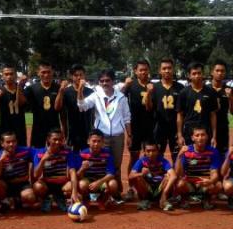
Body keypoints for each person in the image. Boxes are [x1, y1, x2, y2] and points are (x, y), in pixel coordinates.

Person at [77, 69, 132, 200]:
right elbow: (82, 106)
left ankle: (116, 193)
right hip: (101, 137)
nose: (104, 83)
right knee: (101, 164)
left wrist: (129, 135)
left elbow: (127, 118)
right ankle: (101, 193)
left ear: (113, 81)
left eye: (107, 80)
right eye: (102, 81)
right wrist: (80, 89)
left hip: (118, 136)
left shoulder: (121, 97)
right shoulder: (96, 96)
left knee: (116, 165)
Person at [121, 59, 155, 200]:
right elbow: (118, 98)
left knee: (150, 157)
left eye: (145, 70)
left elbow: (151, 108)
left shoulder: (153, 86)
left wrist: (149, 93)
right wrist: (125, 85)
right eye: (141, 70)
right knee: (134, 157)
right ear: (135, 71)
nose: (143, 72)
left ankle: (149, 187)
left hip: (150, 127)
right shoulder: (131, 85)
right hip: (134, 127)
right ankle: (130, 187)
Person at [32, 128, 81, 213]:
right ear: (48, 139)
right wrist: (43, 160)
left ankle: (60, 198)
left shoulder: (67, 152)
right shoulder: (40, 153)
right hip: (46, 185)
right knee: (37, 186)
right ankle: (47, 199)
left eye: (60, 139)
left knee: (72, 186)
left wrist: (74, 193)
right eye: (55, 139)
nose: (57, 142)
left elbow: (72, 172)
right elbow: (36, 175)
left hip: (62, 184)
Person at [175, 125, 222, 210]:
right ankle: (184, 198)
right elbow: (179, 173)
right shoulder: (186, 151)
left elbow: (214, 172)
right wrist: (179, 156)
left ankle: (206, 198)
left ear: (207, 137)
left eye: (203, 135)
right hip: (189, 182)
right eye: (197, 135)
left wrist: (210, 181)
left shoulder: (213, 151)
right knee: (179, 184)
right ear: (192, 138)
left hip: (204, 182)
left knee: (218, 185)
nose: (200, 138)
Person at [0, 131, 36, 214]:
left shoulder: (26, 151)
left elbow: (39, 153)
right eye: (8, 142)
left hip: (22, 184)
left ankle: (16, 199)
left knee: (30, 198)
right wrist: (0, 161)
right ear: (2, 143)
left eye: (13, 141)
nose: (11, 144)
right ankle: (5, 201)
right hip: (7, 185)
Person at [25, 61, 67, 148]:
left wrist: (63, 130)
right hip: (38, 127)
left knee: (56, 150)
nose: (46, 75)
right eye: (43, 72)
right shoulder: (31, 89)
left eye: (48, 72)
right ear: (38, 73)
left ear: (52, 72)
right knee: (38, 151)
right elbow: (26, 110)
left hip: (54, 126)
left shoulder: (58, 88)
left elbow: (61, 111)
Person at [176, 62, 218, 148]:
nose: (197, 76)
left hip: (205, 130)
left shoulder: (210, 92)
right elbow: (180, 115)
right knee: (189, 155)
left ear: (203, 74)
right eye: (194, 73)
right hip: (189, 131)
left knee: (206, 154)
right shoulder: (183, 93)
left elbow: (213, 115)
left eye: (199, 73)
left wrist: (214, 136)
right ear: (189, 75)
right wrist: (180, 135)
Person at [128, 140, 177, 211]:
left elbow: (174, 176)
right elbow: (130, 176)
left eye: (153, 151)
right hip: (147, 189)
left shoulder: (163, 161)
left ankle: (163, 199)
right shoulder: (141, 161)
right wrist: (142, 174)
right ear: (144, 152)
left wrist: (164, 194)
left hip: (160, 189)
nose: (151, 153)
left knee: (168, 176)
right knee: (138, 177)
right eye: (148, 151)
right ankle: (145, 200)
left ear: (158, 151)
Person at [77, 129, 119, 209]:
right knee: (82, 184)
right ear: (88, 141)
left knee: (113, 184)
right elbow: (77, 175)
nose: (96, 144)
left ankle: (102, 199)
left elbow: (111, 174)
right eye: (94, 141)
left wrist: (99, 182)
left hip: (102, 180)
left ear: (103, 143)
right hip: (88, 181)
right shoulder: (82, 154)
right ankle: (86, 199)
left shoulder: (107, 153)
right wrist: (82, 168)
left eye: (99, 141)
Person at [152, 58, 184, 162]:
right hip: (159, 127)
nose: (167, 71)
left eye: (169, 68)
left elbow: (182, 111)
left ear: (173, 70)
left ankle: (176, 173)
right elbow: (149, 108)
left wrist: (180, 132)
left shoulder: (180, 88)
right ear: (159, 70)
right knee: (157, 156)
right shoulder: (154, 88)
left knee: (177, 157)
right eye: (164, 68)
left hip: (175, 127)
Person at [61, 64, 94, 151]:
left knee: (86, 156)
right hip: (72, 132)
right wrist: (64, 131)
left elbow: (93, 114)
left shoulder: (91, 92)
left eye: (81, 75)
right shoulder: (66, 92)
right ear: (72, 77)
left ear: (84, 75)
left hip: (87, 130)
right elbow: (63, 114)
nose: (79, 77)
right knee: (72, 156)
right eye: (76, 75)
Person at [0, 65, 28, 146]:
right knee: (6, 151)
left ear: (15, 75)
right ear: (2, 76)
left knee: (21, 150)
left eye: (11, 74)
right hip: (5, 127)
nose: (9, 76)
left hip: (20, 127)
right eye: (6, 74)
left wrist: (19, 86)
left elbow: (22, 103)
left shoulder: (21, 89)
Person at [207, 60, 233, 160]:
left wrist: (230, 98)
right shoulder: (206, 89)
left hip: (223, 127)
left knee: (223, 156)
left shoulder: (228, 90)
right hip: (207, 128)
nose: (220, 73)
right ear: (212, 72)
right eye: (217, 70)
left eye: (222, 71)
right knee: (207, 157)